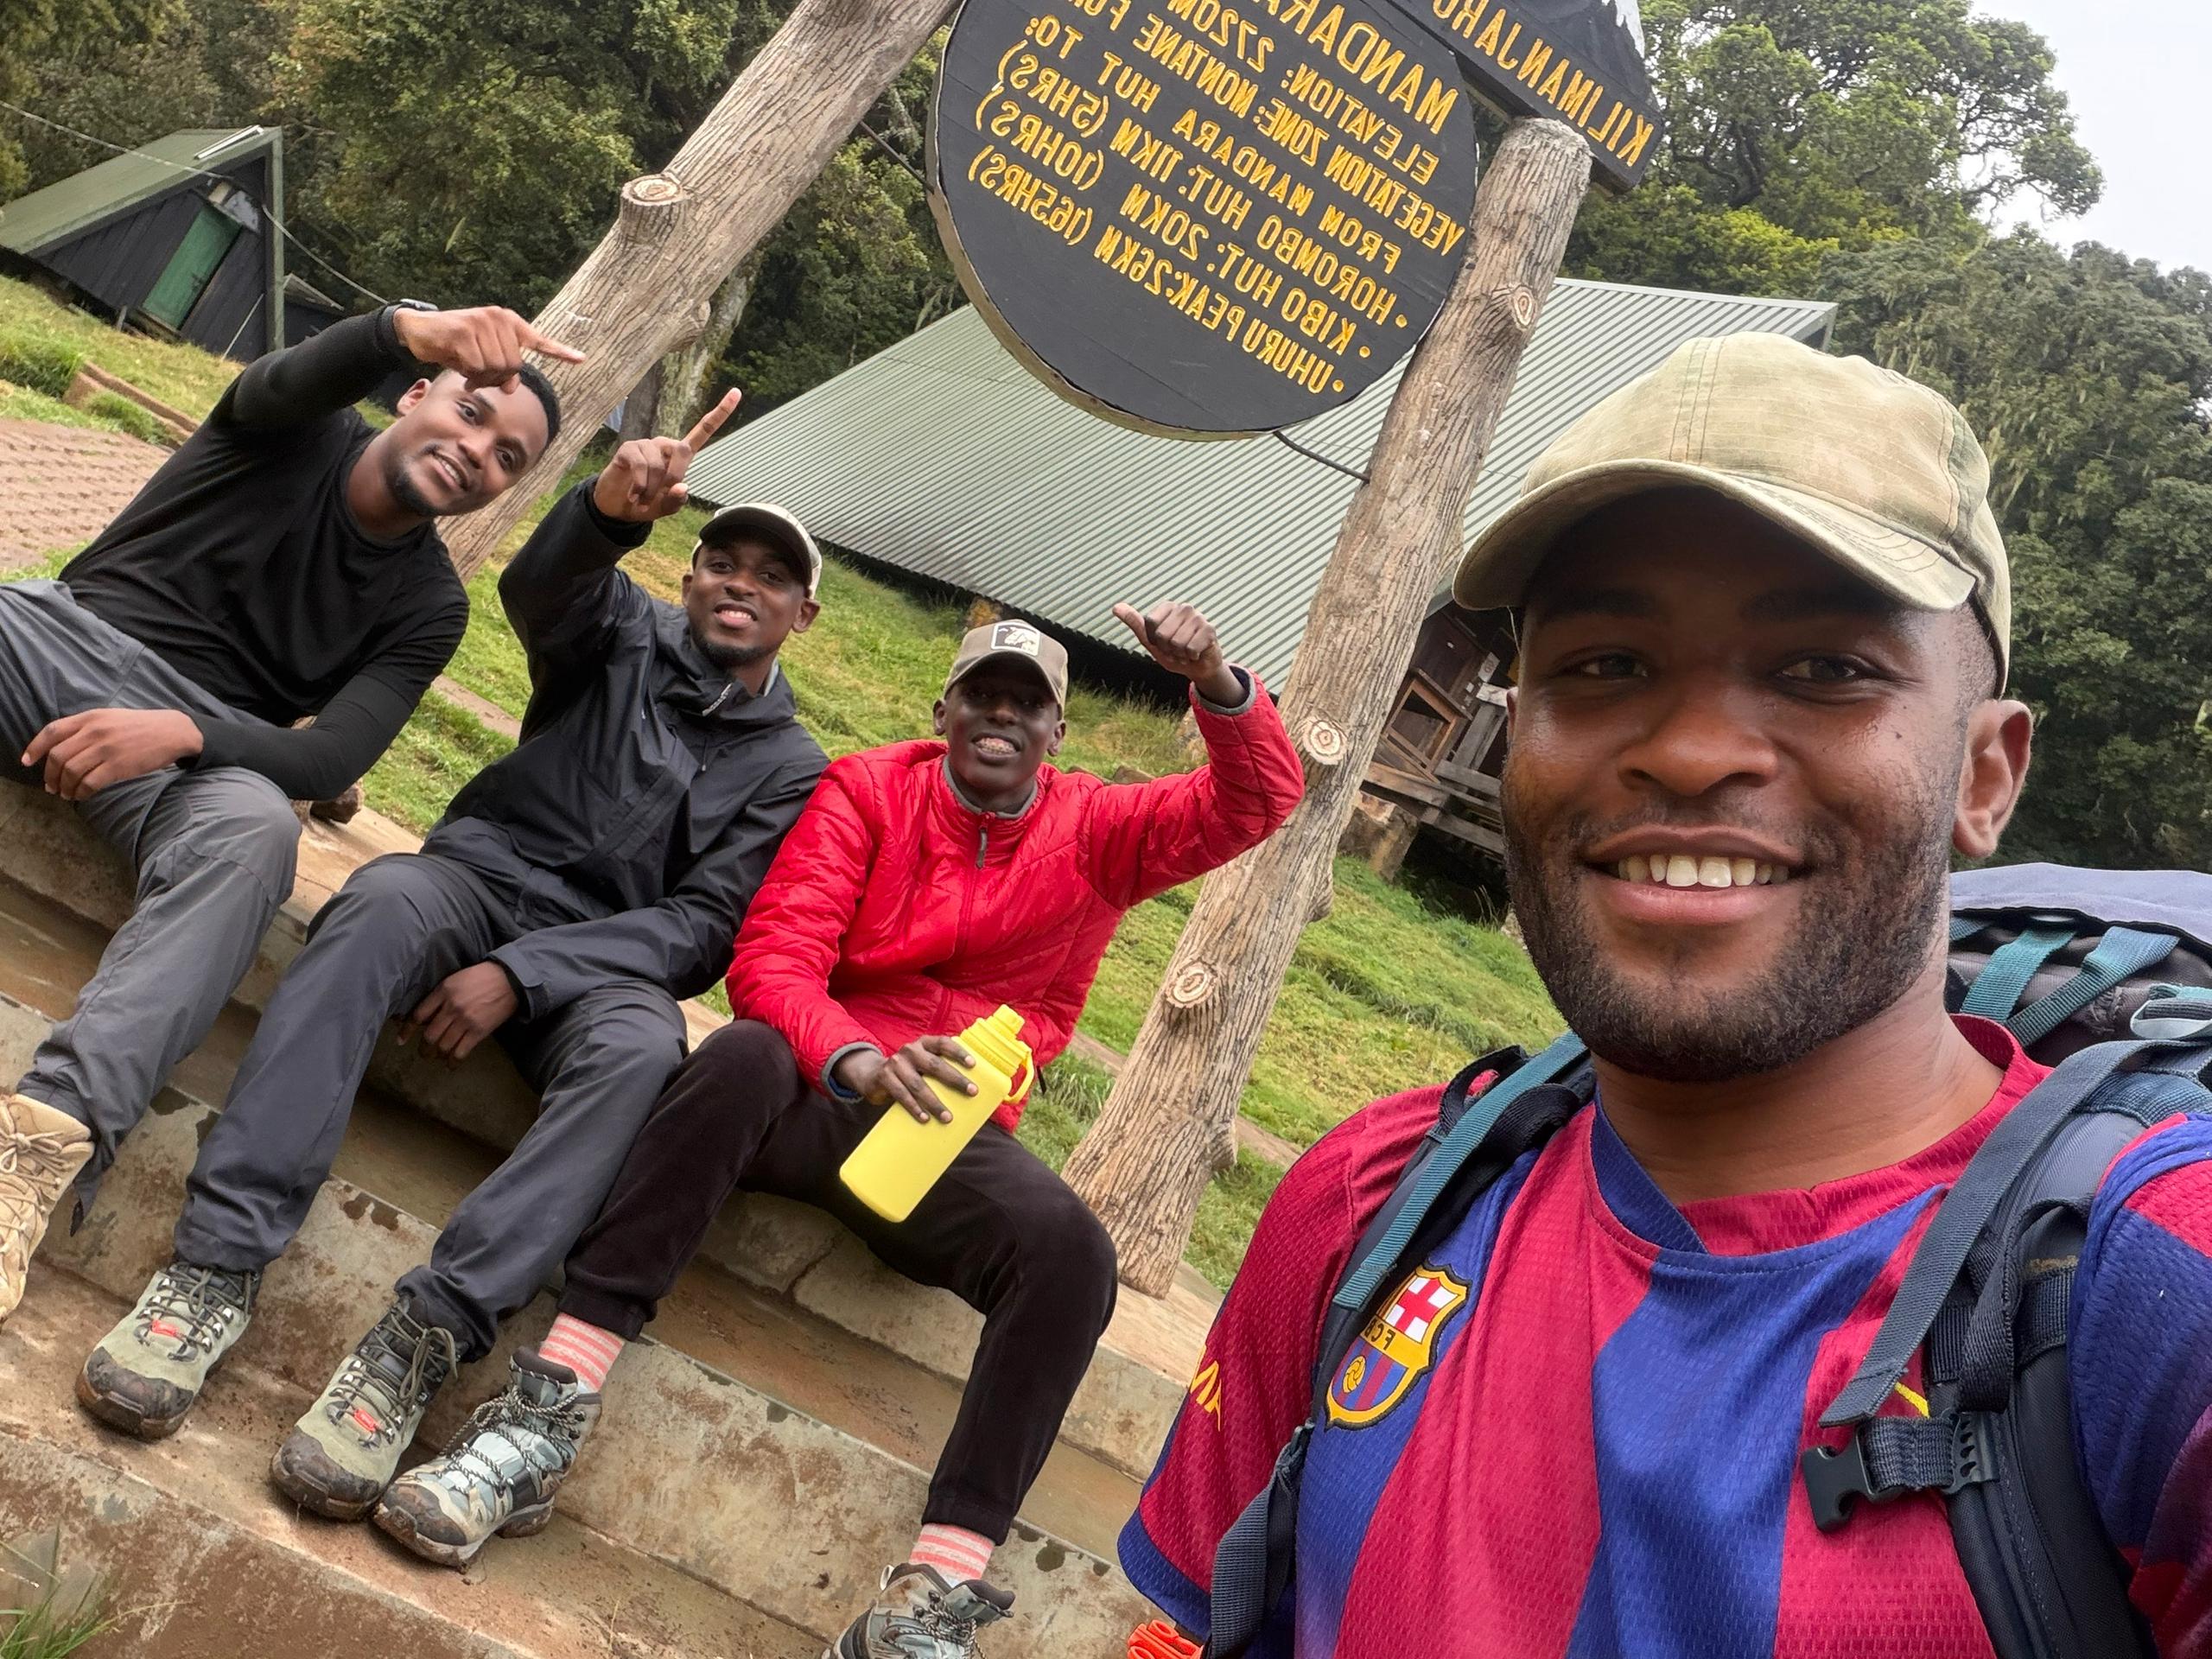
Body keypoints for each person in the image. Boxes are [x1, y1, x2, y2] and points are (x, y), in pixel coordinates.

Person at [1121, 334, 2212, 1656]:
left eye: (1827, 668)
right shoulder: (1370, 1206)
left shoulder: (2159, 1290)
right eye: (1605, 666)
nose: (1690, 752)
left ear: (1987, 774)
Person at [372, 603, 1305, 1648]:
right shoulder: (866, 789)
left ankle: (926, 1599)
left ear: (1057, 735)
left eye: (1027, 705)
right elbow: (772, 956)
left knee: (1072, 1254)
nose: (1001, 717)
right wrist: (857, 1060)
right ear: (941, 708)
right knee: (737, 1054)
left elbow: (1258, 800)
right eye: (982, 697)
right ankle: (544, 1414)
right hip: (820, 1086)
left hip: (945, 1134)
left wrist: (1217, 682)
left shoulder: (1098, 829)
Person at [70, 391, 830, 1518]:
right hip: (476, 877)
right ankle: (215, 1267)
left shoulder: (792, 766)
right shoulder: (618, 629)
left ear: (802, 616)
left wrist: (529, 976)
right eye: (724, 560)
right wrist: (606, 513)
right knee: (375, 905)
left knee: (639, 1056)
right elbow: (541, 589)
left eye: (771, 578)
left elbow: (704, 927)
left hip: (605, 966)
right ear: (687, 574)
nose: (741, 585)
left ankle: (420, 1342)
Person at [0, 302, 579, 1327]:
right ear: (417, 391)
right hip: (52, 641)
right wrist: (409, 326)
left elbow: (332, 755)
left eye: (506, 457)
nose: (476, 451)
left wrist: (179, 730)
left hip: (194, 753)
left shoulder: (429, 606)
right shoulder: (291, 431)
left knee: (258, 830)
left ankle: (39, 1147)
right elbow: (287, 377)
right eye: (470, 410)